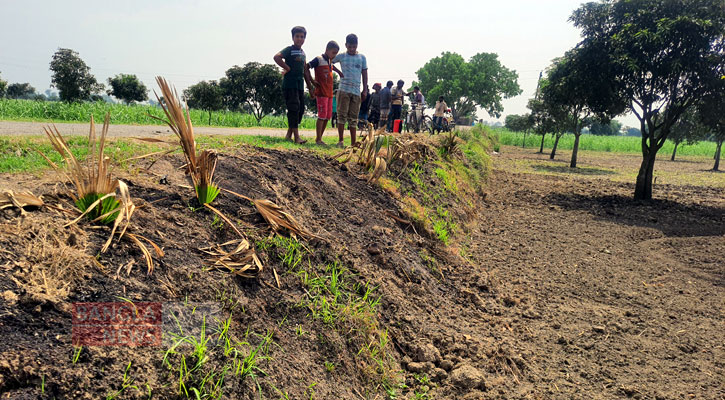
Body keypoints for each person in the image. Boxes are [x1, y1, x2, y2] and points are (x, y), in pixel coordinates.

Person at [273, 26, 314, 144]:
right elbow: (277, 57)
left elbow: (305, 71)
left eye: (302, 37)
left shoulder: (303, 53)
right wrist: (287, 67)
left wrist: (310, 88)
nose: (299, 39)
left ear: (305, 39)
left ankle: (288, 135)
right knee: (294, 109)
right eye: (297, 36)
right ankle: (297, 137)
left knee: (300, 110)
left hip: (299, 85)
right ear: (293, 37)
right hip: (289, 85)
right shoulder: (289, 50)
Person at [332, 33, 368, 147]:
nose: (352, 49)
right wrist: (338, 72)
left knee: (353, 118)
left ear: (357, 45)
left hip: (356, 91)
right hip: (343, 90)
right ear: (346, 45)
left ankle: (353, 142)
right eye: (349, 47)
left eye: (354, 46)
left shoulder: (362, 58)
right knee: (341, 116)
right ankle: (341, 140)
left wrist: (365, 89)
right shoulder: (342, 56)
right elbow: (329, 61)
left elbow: (364, 73)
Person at [307, 41, 343, 145]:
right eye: (333, 53)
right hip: (321, 92)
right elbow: (306, 67)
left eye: (336, 53)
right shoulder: (319, 59)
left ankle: (320, 138)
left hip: (329, 93)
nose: (334, 55)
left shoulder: (330, 62)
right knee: (322, 116)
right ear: (327, 50)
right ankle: (318, 139)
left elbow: (333, 67)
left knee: (327, 116)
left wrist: (339, 72)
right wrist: (312, 81)